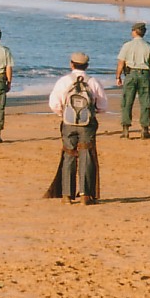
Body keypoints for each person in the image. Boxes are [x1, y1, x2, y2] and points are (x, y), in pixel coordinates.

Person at [46, 52, 109, 205]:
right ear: (87, 66)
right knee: (86, 155)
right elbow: (103, 106)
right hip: (87, 124)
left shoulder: (64, 81)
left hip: (68, 123)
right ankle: (85, 195)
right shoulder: (93, 82)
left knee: (68, 155)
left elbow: (54, 104)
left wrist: (64, 114)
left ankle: (67, 195)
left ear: (71, 64)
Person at [116, 22, 150, 139]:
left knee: (127, 101)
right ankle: (144, 129)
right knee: (145, 102)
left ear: (134, 32)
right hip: (144, 74)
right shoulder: (148, 46)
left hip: (131, 74)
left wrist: (118, 76)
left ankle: (125, 130)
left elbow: (121, 62)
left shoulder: (127, 45)